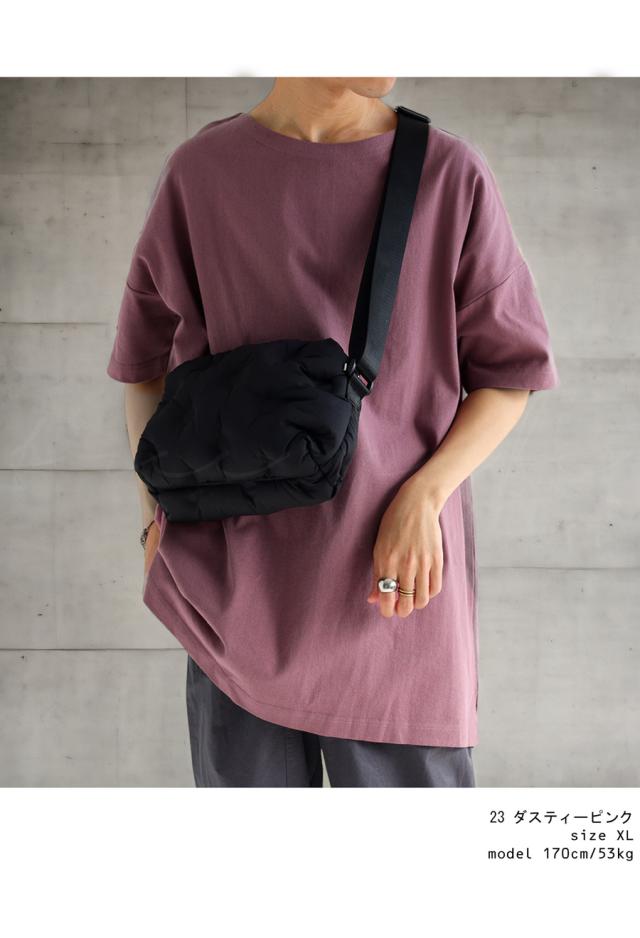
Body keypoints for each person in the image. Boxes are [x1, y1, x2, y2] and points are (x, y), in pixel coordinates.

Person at [106, 77, 559, 787]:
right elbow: (143, 366)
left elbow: (510, 372)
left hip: (395, 597)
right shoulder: (201, 173)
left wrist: (424, 496)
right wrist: (150, 523)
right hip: (236, 600)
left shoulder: (445, 173)